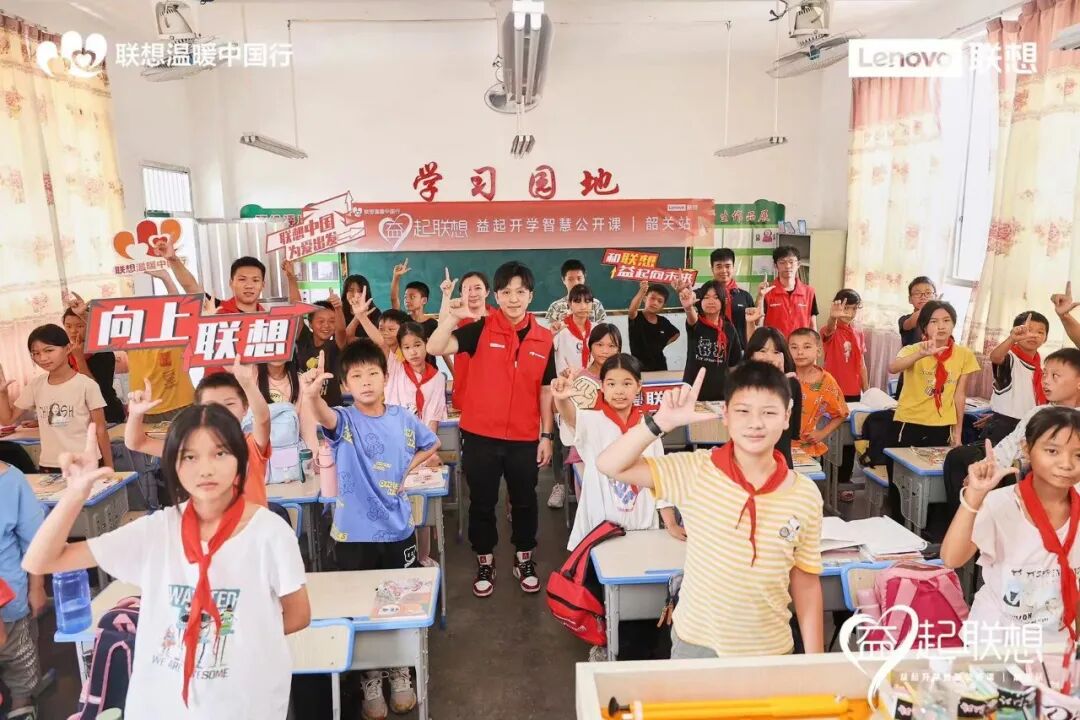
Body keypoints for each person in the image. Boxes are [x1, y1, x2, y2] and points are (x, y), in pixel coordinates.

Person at [21, 411, 311, 720]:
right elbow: (42, 560)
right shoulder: (157, 531)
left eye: (220, 453)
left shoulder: (270, 533)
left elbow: (298, 615)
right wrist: (76, 493)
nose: (206, 469)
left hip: (244, 705)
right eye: (190, 457)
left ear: (240, 458)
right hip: (162, 707)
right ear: (173, 463)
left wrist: (239, 637)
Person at [596, 364, 824, 658]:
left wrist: (815, 663)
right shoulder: (695, 469)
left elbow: (806, 582)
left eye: (768, 412)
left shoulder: (804, 493)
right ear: (725, 415)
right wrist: (659, 423)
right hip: (696, 644)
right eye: (743, 411)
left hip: (771, 649)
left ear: (786, 417)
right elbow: (609, 465)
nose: (755, 423)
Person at [299, 346, 439, 718]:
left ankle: (400, 670)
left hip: (397, 530)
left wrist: (407, 470)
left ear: (385, 377)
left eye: (372, 374)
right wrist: (311, 395)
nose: (365, 382)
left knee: (401, 602)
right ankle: (370, 677)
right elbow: (324, 415)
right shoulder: (343, 420)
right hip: (352, 535)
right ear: (345, 385)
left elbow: (432, 443)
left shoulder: (402, 418)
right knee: (358, 608)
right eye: (356, 376)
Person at [426, 263, 556, 598]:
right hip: (480, 435)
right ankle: (485, 560)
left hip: (524, 438)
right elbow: (435, 347)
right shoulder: (480, 330)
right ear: (496, 296)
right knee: (482, 503)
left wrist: (546, 435)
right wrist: (451, 319)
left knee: (525, 502)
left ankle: (524, 558)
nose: (513, 299)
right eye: (506, 292)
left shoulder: (544, 338)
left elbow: (545, 390)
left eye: (520, 292)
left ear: (531, 296)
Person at [940, 407, 1080, 649]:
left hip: (1058, 643)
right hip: (996, 642)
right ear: (1027, 449)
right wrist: (974, 498)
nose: (1066, 464)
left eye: (1078, 455)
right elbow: (952, 558)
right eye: (1052, 451)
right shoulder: (1001, 503)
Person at [553, 354, 680, 549]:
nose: (619, 391)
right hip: (599, 528)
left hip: (642, 527)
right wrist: (561, 399)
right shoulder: (591, 420)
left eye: (627, 384)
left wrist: (670, 523)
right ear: (602, 387)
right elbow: (571, 417)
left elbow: (660, 477)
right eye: (611, 384)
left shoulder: (649, 427)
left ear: (638, 386)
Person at [942, 349, 1080, 520]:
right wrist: (984, 468)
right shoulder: (1039, 412)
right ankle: (966, 524)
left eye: (1055, 376)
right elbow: (1010, 445)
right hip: (1026, 481)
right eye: (1044, 374)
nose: (1045, 381)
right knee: (961, 457)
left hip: (1064, 491)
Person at [125, 357, 272, 508]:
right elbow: (136, 443)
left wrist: (247, 384)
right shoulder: (187, 448)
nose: (220, 411)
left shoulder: (251, 445)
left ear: (245, 407)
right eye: (211, 406)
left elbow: (263, 419)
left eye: (229, 404)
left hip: (251, 523)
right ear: (198, 410)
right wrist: (135, 414)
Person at [886, 300, 980, 521]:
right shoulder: (913, 349)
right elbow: (893, 367)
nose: (941, 326)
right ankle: (899, 523)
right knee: (901, 483)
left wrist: (957, 434)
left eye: (946, 320)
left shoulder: (964, 355)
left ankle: (928, 529)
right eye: (934, 321)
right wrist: (921, 354)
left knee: (936, 485)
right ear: (925, 327)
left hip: (942, 426)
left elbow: (959, 395)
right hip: (909, 423)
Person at [0, 325, 111, 474]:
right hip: (49, 465)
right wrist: (2, 394)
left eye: (49, 350)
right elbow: (7, 420)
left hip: (85, 462)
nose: (42, 358)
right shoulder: (36, 385)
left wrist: (109, 467)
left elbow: (101, 429)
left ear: (68, 348)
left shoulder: (87, 385)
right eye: (36, 353)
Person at [548, 323, 623, 510]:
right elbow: (557, 410)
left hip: (619, 451)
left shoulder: (626, 378)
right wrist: (562, 389)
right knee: (593, 510)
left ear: (619, 349)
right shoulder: (578, 377)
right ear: (590, 346)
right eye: (599, 345)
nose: (605, 351)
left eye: (612, 346)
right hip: (585, 453)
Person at [0, 460, 44, 720]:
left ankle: (22, 706)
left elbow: (35, 541)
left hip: (10, 600)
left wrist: (37, 587)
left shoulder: (12, 481)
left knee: (19, 662)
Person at [983, 311, 1051, 443]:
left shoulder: (1042, 368)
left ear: (1046, 338)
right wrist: (1012, 339)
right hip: (1004, 427)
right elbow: (995, 357)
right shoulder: (1010, 358)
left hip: (1030, 426)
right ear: (1017, 331)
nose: (1033, 335)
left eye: (1040, 332)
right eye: (1028, 330)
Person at [744, 327, 803, 469]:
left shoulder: (791, 384)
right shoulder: (741, 385)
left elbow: (793, 431)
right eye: (762, 351)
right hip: (748, 464)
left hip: (780, 465)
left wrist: (780, 385)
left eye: (776, 352)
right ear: (751, 355)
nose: (769, 357)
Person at [61, 296, 125, 424]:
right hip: (80, 417)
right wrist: (48, 419)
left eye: (80, 326)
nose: (73, 331)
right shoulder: (65, 352)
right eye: (68, 326)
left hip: (107, 414)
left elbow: (94, 389)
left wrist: (79, 359)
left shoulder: (103, 352)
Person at [789, 328, 849, 462]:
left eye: (807, 347)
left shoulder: (826, 381)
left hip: (806, 451)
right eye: (794, 347)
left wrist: (822, 433)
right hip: (775, 446)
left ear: (819, 351)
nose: (800, 352)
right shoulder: (782, 375)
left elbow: (842, 413)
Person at [678, 280, 742, 402]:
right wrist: (688, 307)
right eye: (706, 297)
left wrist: (735, 390)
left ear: (723, 301)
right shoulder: (696, 323)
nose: (711, 301)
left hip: (721, 395)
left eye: (716, 297)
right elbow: (691, 317)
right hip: (693, 393)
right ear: (700, 301)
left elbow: (734, 364)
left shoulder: (729, 328)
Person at [450, 271, 492, 412]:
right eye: (467, 289)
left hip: (494, 395)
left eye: (477, 288)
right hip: (465, 394)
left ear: (487, 292)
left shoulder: (500, 318)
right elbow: (439, 343)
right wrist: (446, 296)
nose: (472, 293)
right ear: (461, 294)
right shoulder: (456, 318)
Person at [295, 299, 348, 409]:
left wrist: (338, 309)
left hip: (332, 409)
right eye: (321, 321)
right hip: (305, 409)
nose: (326, 325)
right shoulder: (303, 339)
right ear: (310, 323)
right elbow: (296, 303)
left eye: (332, 321)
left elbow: (341, 330)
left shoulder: (336, 345)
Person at [698, 248, 755, 349]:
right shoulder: (701, 294)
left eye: (727, 266)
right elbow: (689, 311)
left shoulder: (745, 296)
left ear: (733, 268)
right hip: (711, 350)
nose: (724, 270)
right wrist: (682, 291)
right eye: (719, 266)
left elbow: (754, 323)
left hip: (740, 350)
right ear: (712, 269)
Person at [756, 246, 818, 338]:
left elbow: (813, 326)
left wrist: (815, 344)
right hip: (775, 344)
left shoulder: (809, 292)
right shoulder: (767, 292)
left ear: (798, 264)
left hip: (800, 345)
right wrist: (760, 297)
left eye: (791, 262)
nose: (787, 266)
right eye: (782, 262)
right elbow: (758, 322)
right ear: (775, 265)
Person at [821, 290, 868, 402]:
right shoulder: (829, 330)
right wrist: (833, 318)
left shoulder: (858, 333)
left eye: (854, 309)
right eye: (846, 308)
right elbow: (829, 329)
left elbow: (862, 365)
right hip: (832, 389)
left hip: (854, 390)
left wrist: (867, 391)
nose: (850, 313)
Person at [896, 276, 937, 398]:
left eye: (928, 293)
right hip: (908, 379)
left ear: (935, 296)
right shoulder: (905, 320)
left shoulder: (941, 322)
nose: (923, 297)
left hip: (931, 380)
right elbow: (912, 321)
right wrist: (930, 306)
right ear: (910, 299)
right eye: (918, 293)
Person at [628, 281, 680, 372]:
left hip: (660, 367)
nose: (655, 303)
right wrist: (642, 291)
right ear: (645, 299)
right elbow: (632, 310)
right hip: (639, 367)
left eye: (660, 301)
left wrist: (662, 344)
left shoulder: (663, 321)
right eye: (652, 298)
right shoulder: (637, 317)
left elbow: (676, 333)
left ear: (663, 306)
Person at [545, 259, 606, 333]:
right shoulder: (556, 306)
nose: (576, 283)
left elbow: (604, 332)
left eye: (579, 278)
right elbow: (548, 334)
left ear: (584, 277)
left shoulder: (596, 304)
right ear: (563, 280)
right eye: (571, 279)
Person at [553, 284, 598, 376]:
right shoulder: (559, 329)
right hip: (565, 380)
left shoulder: (596, 329)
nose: (583, 306)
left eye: (587, 302)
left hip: (592, 381)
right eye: (577, 301)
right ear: (569, 304)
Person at [343, 274, 382, 340]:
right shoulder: (340, 312)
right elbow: (343, 340)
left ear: (366, 294)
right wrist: (358, 316)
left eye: (360, 291)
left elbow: (380, 339)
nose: (355, 294)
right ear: (345, 293)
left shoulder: (374, 312)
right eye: (351, 290)